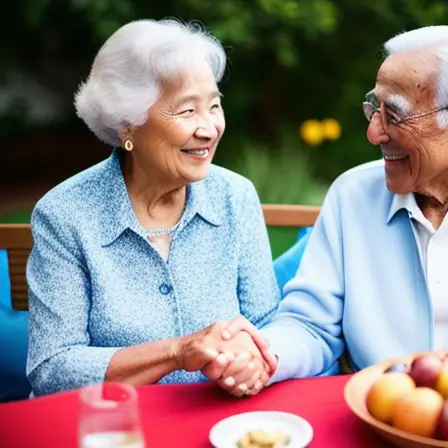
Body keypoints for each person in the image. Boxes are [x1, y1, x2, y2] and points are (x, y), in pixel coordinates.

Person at [26, 19, 279, 397]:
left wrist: (250, 360)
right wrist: (177, 351)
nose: (209, 128)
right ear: (128, 124)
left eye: (213, 106)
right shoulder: (65, 215)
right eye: (187, 111)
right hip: (109, 425)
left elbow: (266, 325)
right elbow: (52, 368)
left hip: (216, 419)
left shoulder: (234, 197)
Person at [216, 25, 448, 386]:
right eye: (375, 108)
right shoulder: (353, 195)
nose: (374, 133)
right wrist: (262, 356)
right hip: (374, 414)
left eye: (395, 115)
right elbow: (311, 325)